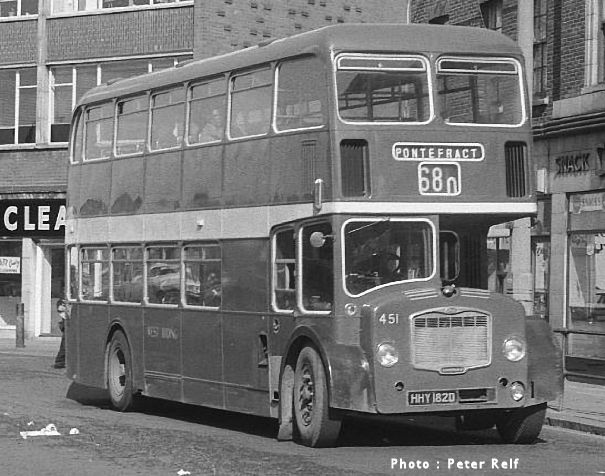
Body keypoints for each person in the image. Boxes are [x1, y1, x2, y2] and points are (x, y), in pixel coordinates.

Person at [53, 299, 68, 369]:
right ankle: (60, 361)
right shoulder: (64, 300)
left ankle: (61, 361)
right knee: (66, 341)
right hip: (69, 323)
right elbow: (60, 309)